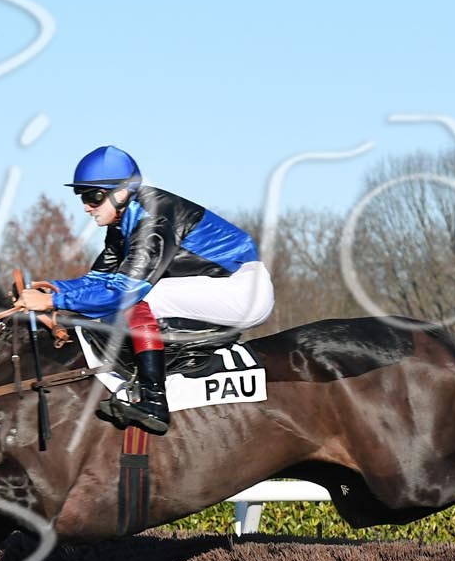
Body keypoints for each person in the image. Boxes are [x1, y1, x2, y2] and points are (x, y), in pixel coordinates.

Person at [16, 145, 273, 435]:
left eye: (93, 197)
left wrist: (53, 301)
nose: (86, 207)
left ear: (122, 192)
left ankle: (154, 401)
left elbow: (124, 291)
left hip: (244, 290)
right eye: (82, 196)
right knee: (113, 311)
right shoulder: (122, 223)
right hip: (218, 286)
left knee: (134, 302)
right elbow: (99, 279)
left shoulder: (153, 218)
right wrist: (52, 289)